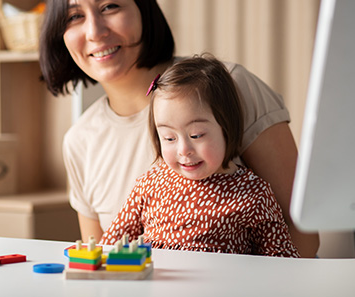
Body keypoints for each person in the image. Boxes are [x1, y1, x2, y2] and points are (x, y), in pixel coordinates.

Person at [39, 0, 319, 257]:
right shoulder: (80, 140)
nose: (95, 31)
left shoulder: (230, 87)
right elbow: (102, 259)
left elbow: (300, 235)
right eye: (74, 16)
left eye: (110, 6)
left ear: (144, 10)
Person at [100, 55, 300, 258]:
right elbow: (109, 245)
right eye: (169, 138)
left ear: (226, 129)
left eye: (196, 135)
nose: (183, 149)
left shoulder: (254, 194)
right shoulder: (148, 185)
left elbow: (282, 260)